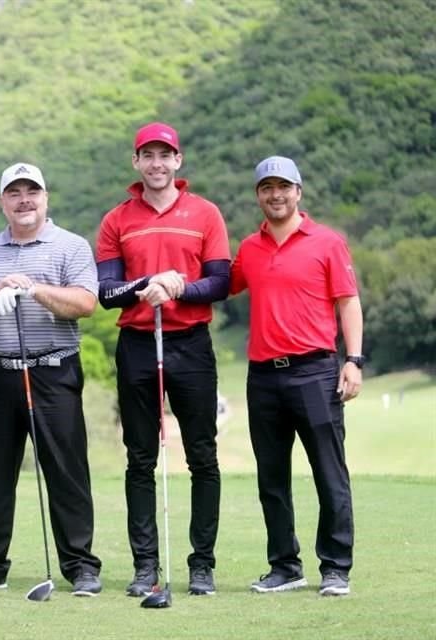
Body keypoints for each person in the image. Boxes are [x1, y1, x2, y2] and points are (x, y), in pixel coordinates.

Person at [0, 162, 103, 597]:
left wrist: (35, 289)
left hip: (53, 372)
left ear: (45, 197)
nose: (24, 200)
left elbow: (85, 303)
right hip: (0, 374)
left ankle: (80, 566)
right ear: (3, 202)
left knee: (67, 472)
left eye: (31, 191)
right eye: (14, 193)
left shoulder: (70, 246)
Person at [95, 122, 230, 597]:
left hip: (191, 343)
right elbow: (107, 293)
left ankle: (202, 565)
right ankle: (144, 566)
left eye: (164, 155)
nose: (156, 163)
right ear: (136, 162)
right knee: (139, 458)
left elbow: (219, 282)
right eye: (147, 155)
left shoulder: (205, 213)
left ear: (178, 160)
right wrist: (143, 285)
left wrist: (179, 286)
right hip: (136, 343)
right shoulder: (117, 220)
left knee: (202, 455)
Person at [231, 156, 361, 597]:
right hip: (263, 377)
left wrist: (354, 360)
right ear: (258, 196)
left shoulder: (327, 242)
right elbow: (218, 283)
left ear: (298, 192)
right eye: (267, 187)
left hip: (315, 372)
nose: (276, 194)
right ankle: (285, 566)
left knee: (329, 472)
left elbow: (348, 303)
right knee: (272, 477)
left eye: (283, 186)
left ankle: (336, 567)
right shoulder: (249, 248)